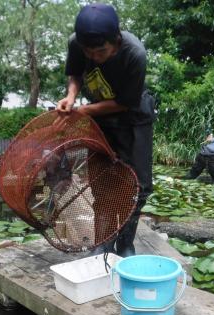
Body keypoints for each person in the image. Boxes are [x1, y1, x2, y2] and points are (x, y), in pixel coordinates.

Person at [56, 3, 155, 257]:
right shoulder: (77, 43)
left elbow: (124, 102)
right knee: (102, 180)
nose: (94, 58)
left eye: (100, 52)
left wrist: (85, 111)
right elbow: (76, 73)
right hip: (99, 117)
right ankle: (104, 241)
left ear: (117, 41)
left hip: (134, 116)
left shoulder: (135, 54)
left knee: (138, 184)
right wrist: (71, 97)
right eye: (88, 52)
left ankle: (125, 243)